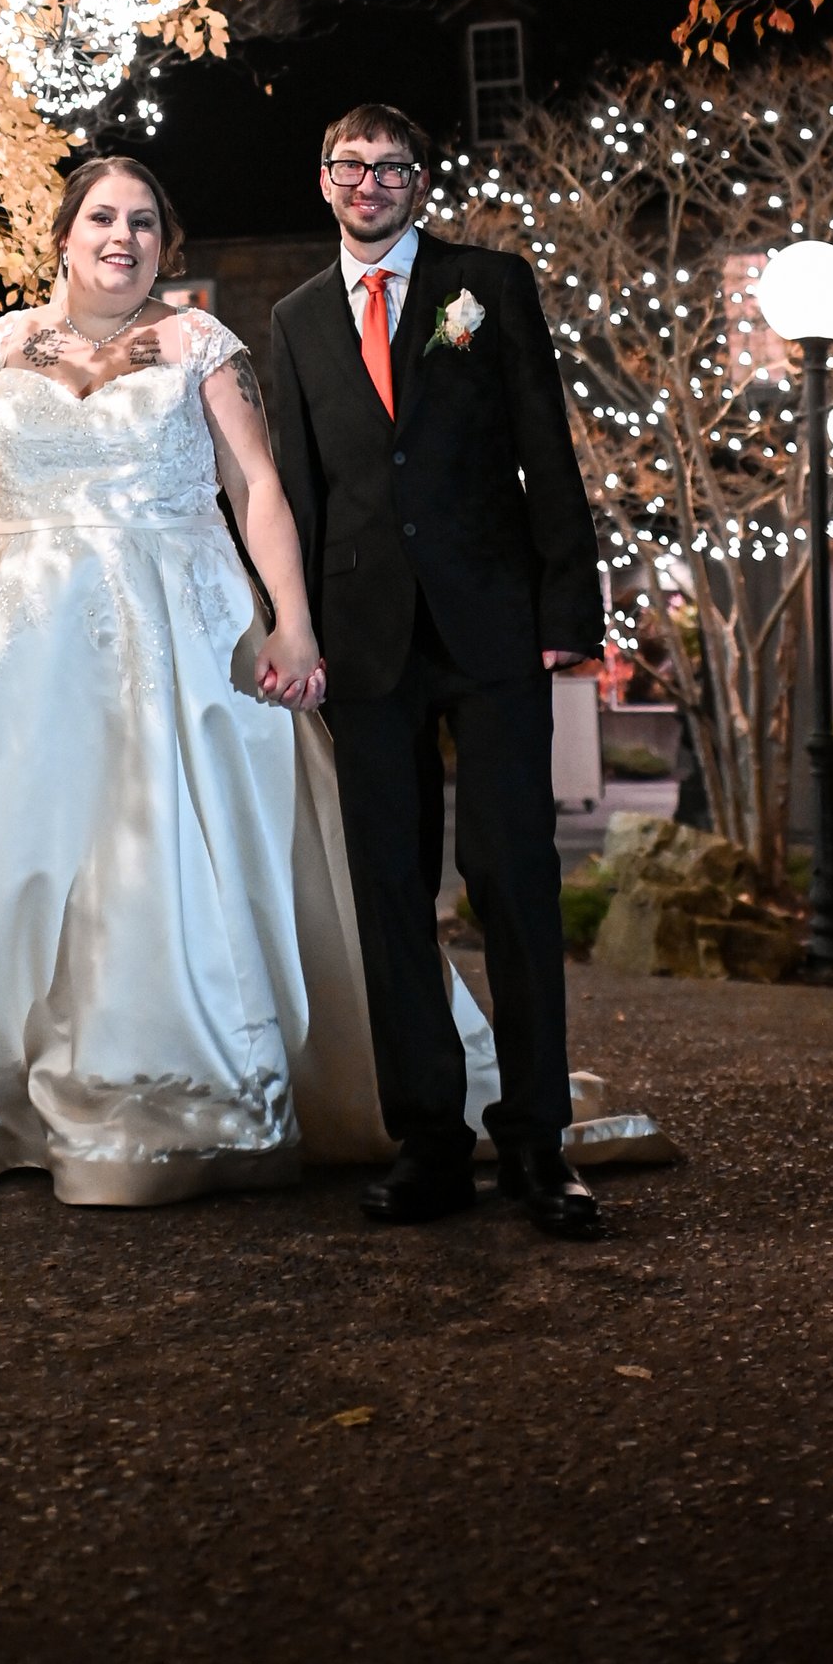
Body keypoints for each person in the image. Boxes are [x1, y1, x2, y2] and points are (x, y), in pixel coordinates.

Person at [0, 152, 496, 1203]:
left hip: (185, 630)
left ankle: (185, 1091)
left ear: (166, 245)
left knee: (171, 846)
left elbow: (255, 488)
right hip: (27, 635)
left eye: (145, 222)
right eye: (102, 217)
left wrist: (291, 622)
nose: (123, 236)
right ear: (62, 235)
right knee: (5, 846)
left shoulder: (201, 343)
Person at [267, 101, 604, 1235]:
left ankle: (539, 1142)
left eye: (390, 166)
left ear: (421, 179)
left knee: (513, 879)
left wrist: (568, 606)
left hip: (494, 627)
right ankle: (428, 1139)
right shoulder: (297, 318)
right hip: (365, 645)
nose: (369, 183)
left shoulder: (486, 286)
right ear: (322, 179)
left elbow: (542, 446)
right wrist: (296, 629)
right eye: (349, 164)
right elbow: (297, 493)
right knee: (389, 896)